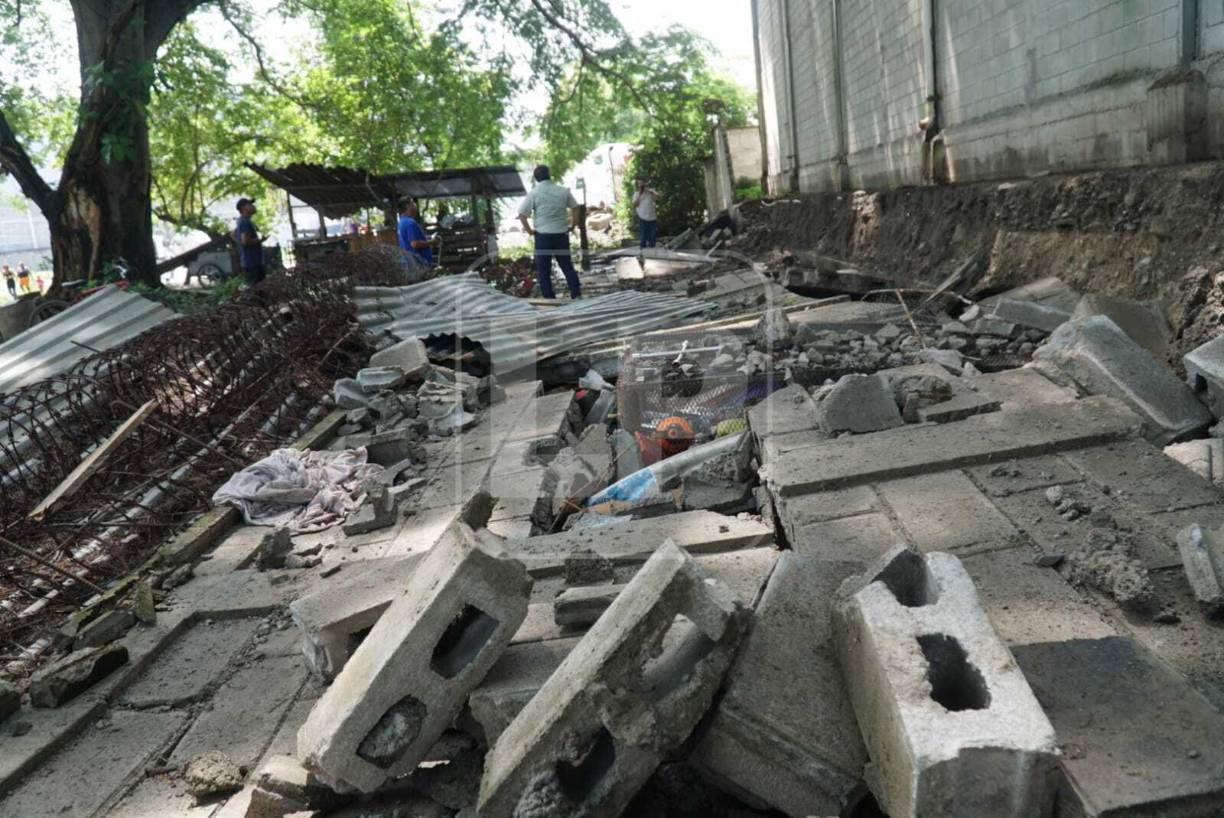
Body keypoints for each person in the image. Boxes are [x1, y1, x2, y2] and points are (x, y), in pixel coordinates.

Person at [518, 165, 581, 300]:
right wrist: (573, 225)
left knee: (544, 270)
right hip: (561, 234)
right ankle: (576, 294)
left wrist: (530, 231)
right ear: (549, 174)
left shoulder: (534, 193)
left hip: (542, 236)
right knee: (567, 266)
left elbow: (522, 214)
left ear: (536, 178)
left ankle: (550, 298)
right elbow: (576, 208)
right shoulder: (562, 191)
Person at [234, 198, 266, 286]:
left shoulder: (242, 221)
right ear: (243, 208)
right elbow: (245, 241)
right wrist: (260, 240)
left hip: (250, 262)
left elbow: (233, 235)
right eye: (250, 204)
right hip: (252, 263)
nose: (253, 206)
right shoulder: (244, 221)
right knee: (257, 291)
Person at [397, 199, 436, 269]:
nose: (415, 205)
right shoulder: (410, 223)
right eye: (413, 203)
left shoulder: (401, 222)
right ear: (408, 206)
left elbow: (409, 241)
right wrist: (432, 242)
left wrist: (426, 239)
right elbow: (415, 244)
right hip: (418, 263)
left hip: (409, 261)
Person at [633, 177, 659, 250]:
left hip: (652, 218)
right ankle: (642, 254)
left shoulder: (650, 192)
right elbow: (634, 205)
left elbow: (659, 196)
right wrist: (640, 195)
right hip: (642, 217)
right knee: (643, 237)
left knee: (652, 237)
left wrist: (652, 191)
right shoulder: (636, 193)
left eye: (642, 183)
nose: (641, 185)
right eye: (639, 184)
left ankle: (652, 252)